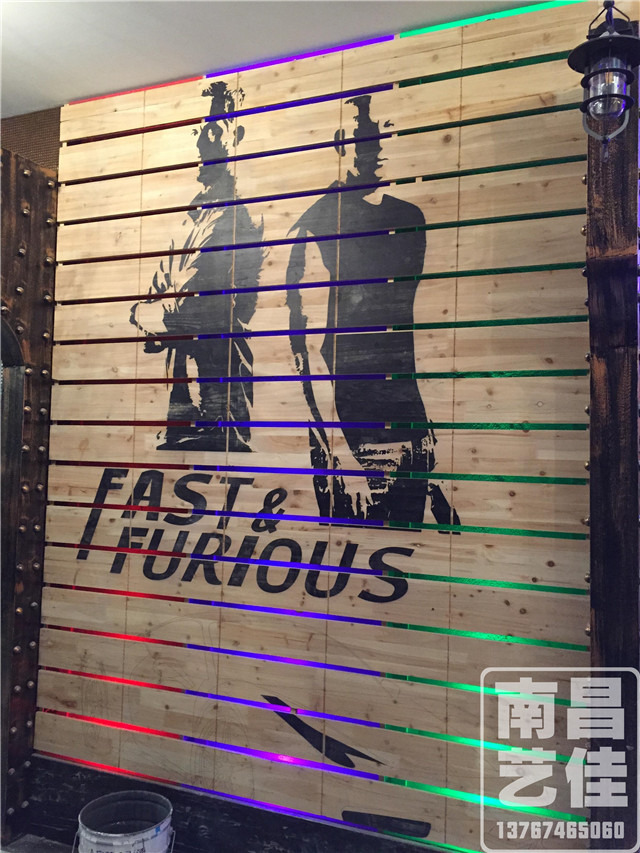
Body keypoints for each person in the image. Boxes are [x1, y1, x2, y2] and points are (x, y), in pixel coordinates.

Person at [286, 94, 459, 528]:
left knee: (412, 548)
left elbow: (402, 329)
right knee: (358, 549)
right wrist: (339, 452)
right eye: (363, 137)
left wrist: (424, 432)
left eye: (381, 135)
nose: (376, 148)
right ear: (341, 144)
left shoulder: (410, 218)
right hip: (352, 430)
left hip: (408, 423)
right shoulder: (317, 225)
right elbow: (308, 349)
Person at [130, 81, 264, 452]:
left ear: (235, 137)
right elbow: (164, 281)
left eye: (214, 131)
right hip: (184, 388)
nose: (203, 143)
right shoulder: (191, 216)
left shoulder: (239, 217)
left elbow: (219, 302)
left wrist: (153, 315)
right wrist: (151, 310)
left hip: (217, 388)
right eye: (199, 133)